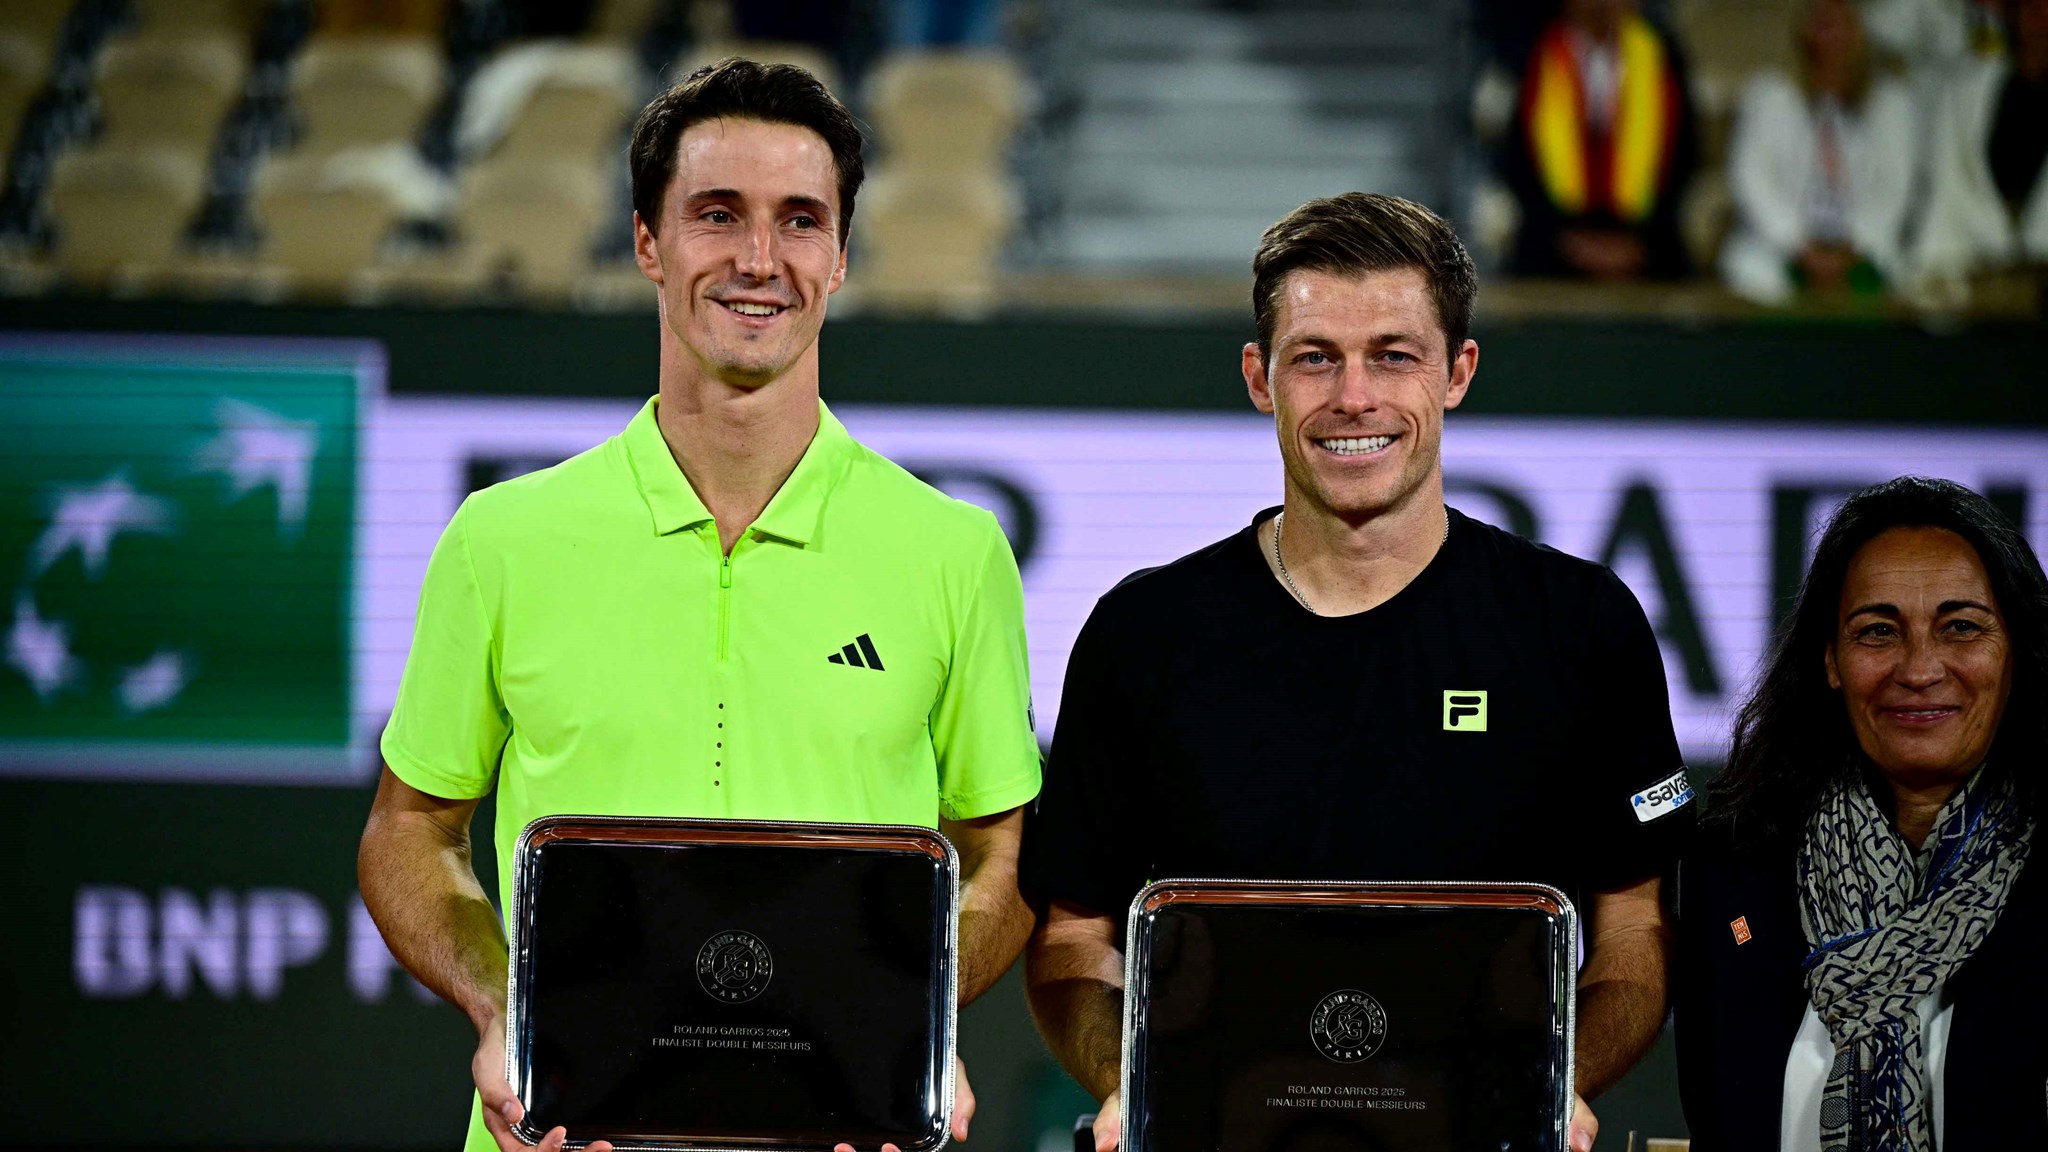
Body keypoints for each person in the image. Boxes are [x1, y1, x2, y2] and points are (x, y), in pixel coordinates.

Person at [357, 58, 1042, 1152]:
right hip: (565, 1132)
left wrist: (906, 1016)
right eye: (716, 215)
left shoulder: (953, 552)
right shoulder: (501, 538)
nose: (758, 260)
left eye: (799, 221)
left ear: (840, 256)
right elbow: (410, 826)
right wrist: (504, 1010)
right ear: (647, 242)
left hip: (842, 1127)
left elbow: (1001, 845)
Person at [1020, 192, 1696, 1152]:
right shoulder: (1145, 632)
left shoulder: (1581, 626)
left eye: (1394, 354)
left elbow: (1634, 927)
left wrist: (1553, 1086)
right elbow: (1073, 936)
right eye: (1315, 358)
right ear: (1260, 378)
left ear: (1457, 371)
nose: (1354, 398)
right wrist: (1132, 1078)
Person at [1675, 476, 2048, 1151]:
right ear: (1831, 659)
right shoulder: (1735, 871)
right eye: (1878, 631)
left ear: (2016, 652)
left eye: (1961, 627)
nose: (1919, 668)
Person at [1720, 0, 1919, 305]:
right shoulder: (1770, 94)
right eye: (1823, 23)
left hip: (1861, 250)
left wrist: (1850, 248)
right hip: (1785, 248)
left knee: (1905, 278)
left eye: (1841, 24)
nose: (1832, 37)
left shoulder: (1891, 102)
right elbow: (1750, 175)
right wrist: (1800, 245)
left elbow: (1895, 188)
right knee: (1749, 271)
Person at [1503, 0, 1699, 280]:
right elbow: (1515, 162)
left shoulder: (1659, 52)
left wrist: (1637, 243)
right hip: (1555, 234)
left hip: (1643, 234)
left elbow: (1684, 156)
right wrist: (1571, 242)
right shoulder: (1532, 52)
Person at [1911, 0, 2048, 293]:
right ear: (2016, 16)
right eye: (2035, 10)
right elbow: (1945, 190)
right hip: (1975, 273)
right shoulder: (1966, 92)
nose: (2043, 23)